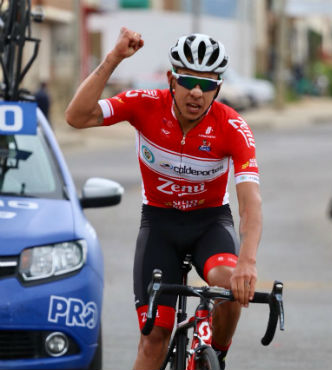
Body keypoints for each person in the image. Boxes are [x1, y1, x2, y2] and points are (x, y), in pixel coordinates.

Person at [65, 27, 262, 370]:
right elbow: (76, 116)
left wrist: (247, 261)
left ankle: (217, 350)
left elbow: (250, 201)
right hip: (159, 224)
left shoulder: (232, 126)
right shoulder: (145, 105)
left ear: (218, 87)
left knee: (230, 288)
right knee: (154, 338)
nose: (197, 92)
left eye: (208, 84)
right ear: (171, 78)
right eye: (187, 80)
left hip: (209, 223)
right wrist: (114, 58)